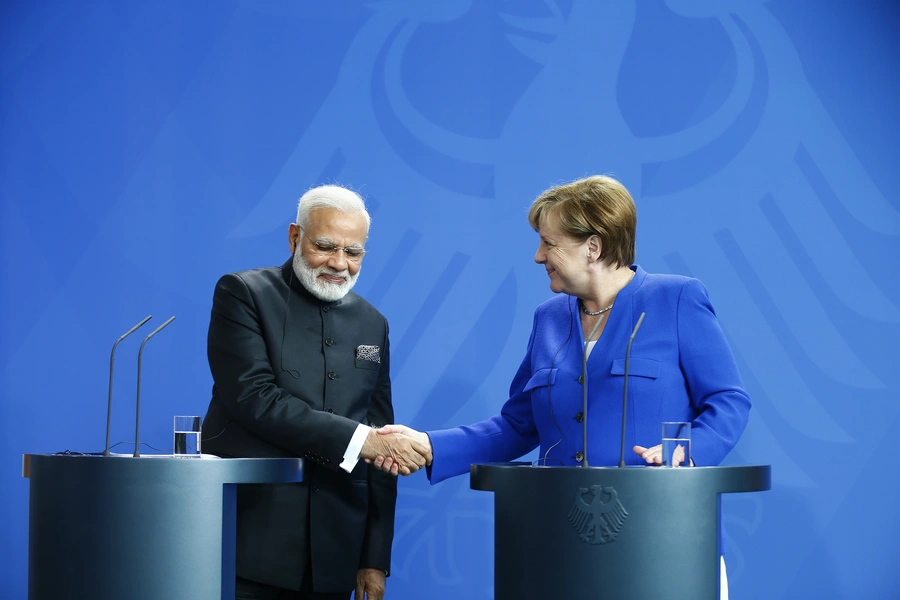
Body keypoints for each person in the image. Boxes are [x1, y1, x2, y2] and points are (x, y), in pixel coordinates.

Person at [373, 175, 751, 598]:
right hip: (561, 544)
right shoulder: (548, 317)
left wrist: (688, 449)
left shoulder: (677, 299)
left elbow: (728, 401)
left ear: (594, 245)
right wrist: (429, 445)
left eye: (549, 244)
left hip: (666, 540)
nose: (538, 256)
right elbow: (518, 425)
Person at [201, 184, 431, 600]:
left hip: (336, 553)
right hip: (248, 546)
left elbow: (379, 431)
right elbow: (255, 398)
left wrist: (374, 556)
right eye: (325, 246)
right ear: (295, 237)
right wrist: (363, 441)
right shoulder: (243, 294)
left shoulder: (373, 323)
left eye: (354, 251)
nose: (339, 263)